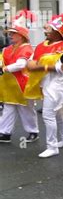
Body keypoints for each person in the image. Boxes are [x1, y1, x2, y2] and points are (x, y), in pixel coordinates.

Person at [24, 13, 63, 158]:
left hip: (59, 84)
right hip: (46, 82)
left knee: (47, 115)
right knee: (57, 113)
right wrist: (47, 67)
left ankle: (52, 147)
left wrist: (41, 67)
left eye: (50, 29)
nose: (46, 31)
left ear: (58, 33)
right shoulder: (40, 46)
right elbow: (30, 64)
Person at [0, 10, 40, 143]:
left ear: (21, 36)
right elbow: (2, 60)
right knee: (8, 108)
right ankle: (4, 133)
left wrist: (4, 69)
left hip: (22, 84)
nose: (10, 35)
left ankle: (33, 131)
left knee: (26, 110)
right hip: (9, 84)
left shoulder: (27, 48)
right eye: (10, 33)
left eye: (13, 33)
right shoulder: (7, 49)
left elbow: (21, 64)